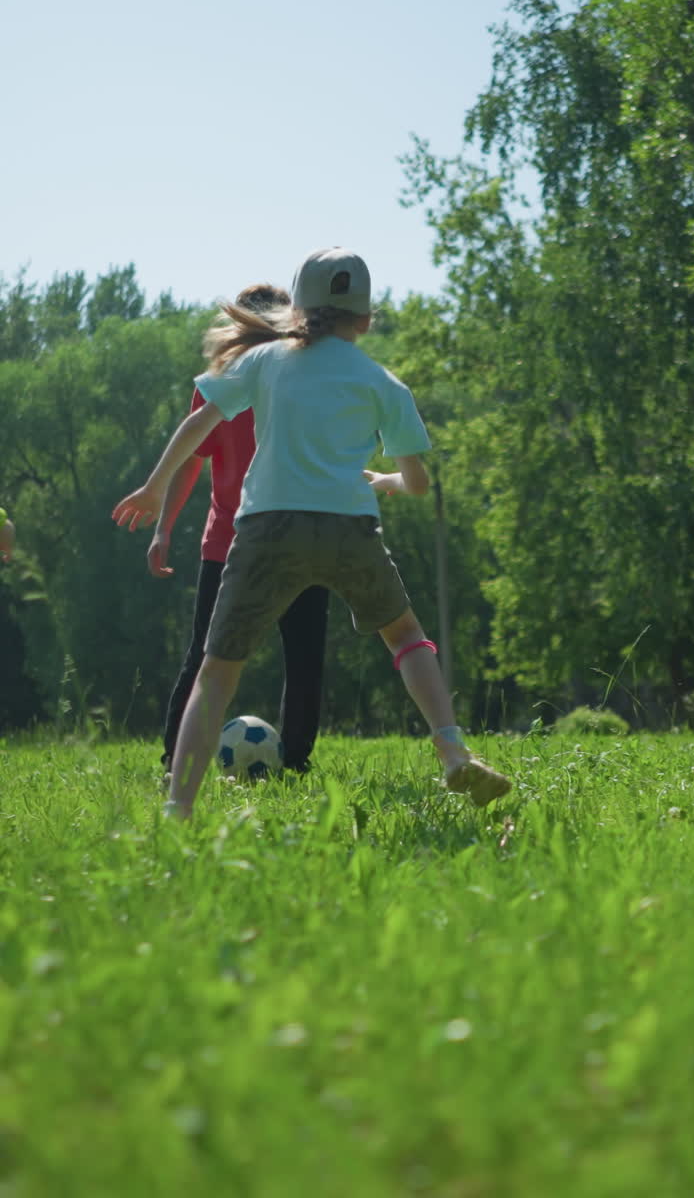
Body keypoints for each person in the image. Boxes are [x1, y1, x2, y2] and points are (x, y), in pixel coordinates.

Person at [112, 247, 512, 818]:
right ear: (367, 318)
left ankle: (178, 807)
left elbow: (200, 419)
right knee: (405, 637)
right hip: (350, 526)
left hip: (267, 529)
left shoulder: (267, 359)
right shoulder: (382, 382)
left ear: (296, 309)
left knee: (218, 669)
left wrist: (155, 487)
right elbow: (420, 482)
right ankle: (451, 750)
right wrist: (389, 482)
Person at [146, 283, 328, 774]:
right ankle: (183, 759)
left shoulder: (262, 380)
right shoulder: (222, 383)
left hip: (266, 538)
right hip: (261, 540)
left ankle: (280, 762)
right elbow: (190, 459)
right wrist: (163, 527)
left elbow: (186, 461)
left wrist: (164, 529)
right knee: (265, 654)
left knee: (230, 656)